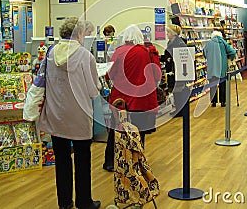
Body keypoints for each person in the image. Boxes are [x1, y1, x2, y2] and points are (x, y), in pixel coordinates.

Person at [38, 17, 101, 209]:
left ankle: (64, 203)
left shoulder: (49, 53)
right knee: (83, 161)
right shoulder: (85, 56)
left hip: (56, 116)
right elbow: (93, 90)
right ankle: (84, 201)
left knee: (62, 162)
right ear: (79, 34)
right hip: (79, 116)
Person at [103, 24, 161, 172]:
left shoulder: (119, 52)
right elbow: (157, 75)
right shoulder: (148, 52)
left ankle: (110, 161)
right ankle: (136, 162)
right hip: (142, 98)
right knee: (139, 132)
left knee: (116, 130)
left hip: (121, 99)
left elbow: (109, 74)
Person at [162, 24, 190, 117]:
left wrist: (171, 58)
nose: (167, 34)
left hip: (178, 71)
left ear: (173, 33)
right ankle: (178, 109)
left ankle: (180, 110)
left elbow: (181, 56)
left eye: (168, 32)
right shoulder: (171, 42)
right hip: (172, 70)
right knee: (175, 90)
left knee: (178, 90)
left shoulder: (179, 43)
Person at [203, 30, 236, 107]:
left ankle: (213, 102)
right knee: (222, 84)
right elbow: (232, 52)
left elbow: (204, 53)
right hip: (222, 67)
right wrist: (229, 57)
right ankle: (223, 102)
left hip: (212, 67)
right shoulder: (223, 42)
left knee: (212, 85)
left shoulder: (209, 43)